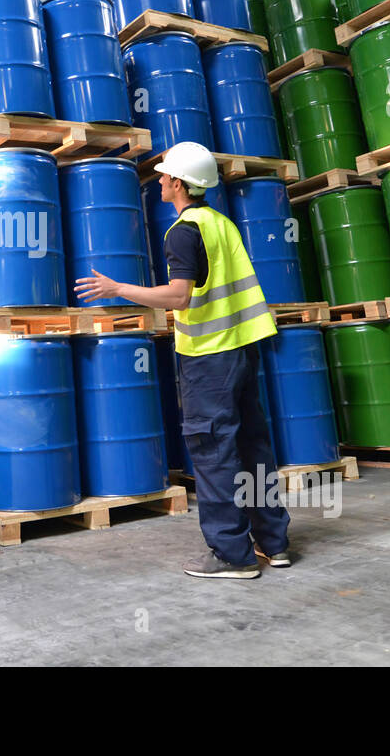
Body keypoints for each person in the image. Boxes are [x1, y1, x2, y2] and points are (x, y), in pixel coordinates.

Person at [76, 142, 290, 579]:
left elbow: (179, 296)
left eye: (164, 175)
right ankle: (274, 543)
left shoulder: (183, 231)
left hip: (209, 359)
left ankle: (232, 554)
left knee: (213, 453)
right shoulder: (221, 223)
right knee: (253, 447)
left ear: (179, 183)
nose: (159, 180)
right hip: (242, 349)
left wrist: (118, 289)